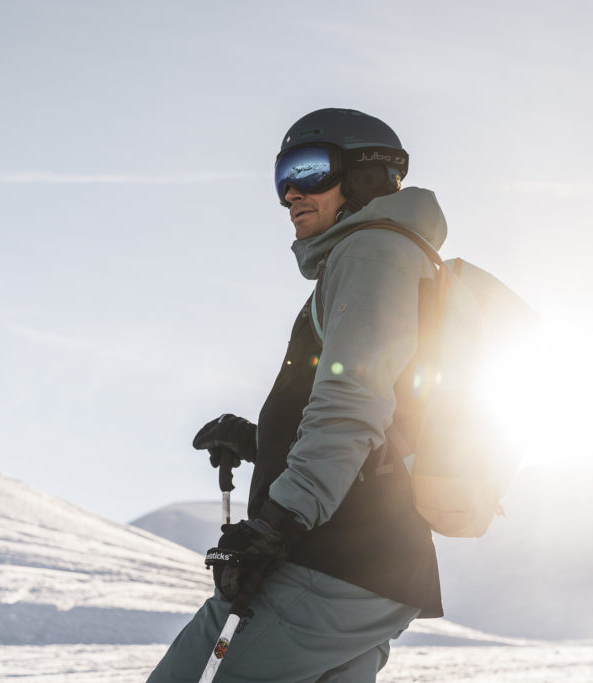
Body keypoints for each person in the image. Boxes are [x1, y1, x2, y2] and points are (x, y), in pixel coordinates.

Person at [148, 108, 447, 682]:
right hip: (375, 564)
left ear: (365, 174)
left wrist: (276, 525)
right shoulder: (382, 258)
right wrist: (261, 442)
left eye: (309, 169)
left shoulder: (372, 253)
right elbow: (384, 419)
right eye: (281, 175)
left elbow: (352, 402)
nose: (290, 192)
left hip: (330, 556)